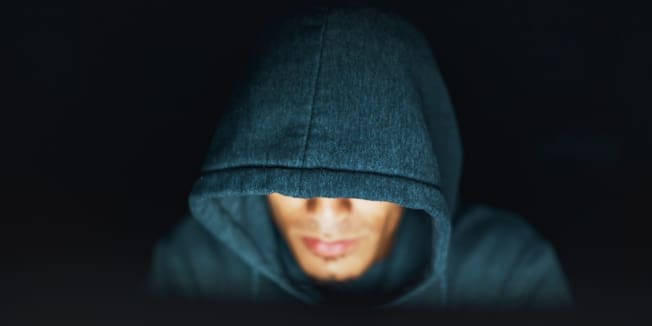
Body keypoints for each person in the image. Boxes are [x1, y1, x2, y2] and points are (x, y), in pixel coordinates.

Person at [148, 5, 573, 308]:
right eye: (289, 182)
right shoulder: (193, 267)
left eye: (366, 182)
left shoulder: (508, 274)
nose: (327, 216)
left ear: (421, 168)